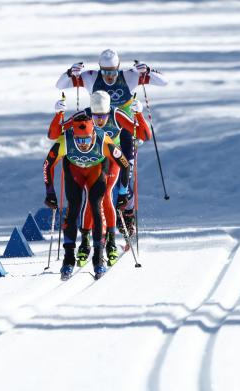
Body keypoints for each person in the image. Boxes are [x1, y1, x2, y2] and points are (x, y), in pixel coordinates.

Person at [55, 49, 167, 236]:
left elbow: (164, 82)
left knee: (126, 171)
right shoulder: (91, 78)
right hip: (98, 131)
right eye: (105, 72)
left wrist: (148, 70)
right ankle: (100, 221)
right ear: (100, 69)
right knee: (100, 176)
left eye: (113, 71)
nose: (109, 76)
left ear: (118, 68)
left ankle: (128, 215)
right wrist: (70, 73)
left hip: (124, 129)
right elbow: (60, 86)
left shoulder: (129, 77)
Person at [47, 91, 151, 266]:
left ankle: (109, 241)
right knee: (91, 199)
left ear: (108, 111)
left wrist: (139, 114)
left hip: (111, 159)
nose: (99, 120)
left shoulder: (117, 115)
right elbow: (54, 134)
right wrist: (58, 114)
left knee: (105, 196)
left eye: (103, 116)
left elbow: (145, 135)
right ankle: (87, 241)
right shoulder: (83, 116)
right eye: (95, 116)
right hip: (92, 161)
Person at [43, 114, 131, 279]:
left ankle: (98, 259)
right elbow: (48, 165)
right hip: (74, 170)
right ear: (74, 136)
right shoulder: (65, 140)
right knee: (74, 207)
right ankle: (68, 259)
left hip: (96, 170)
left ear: (93, 135)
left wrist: (122, 193)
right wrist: (50, 193)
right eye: (79, 140)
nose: (83, 144)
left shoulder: (103, 139)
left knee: (95, 206)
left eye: (86, 140)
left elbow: (124, 164)